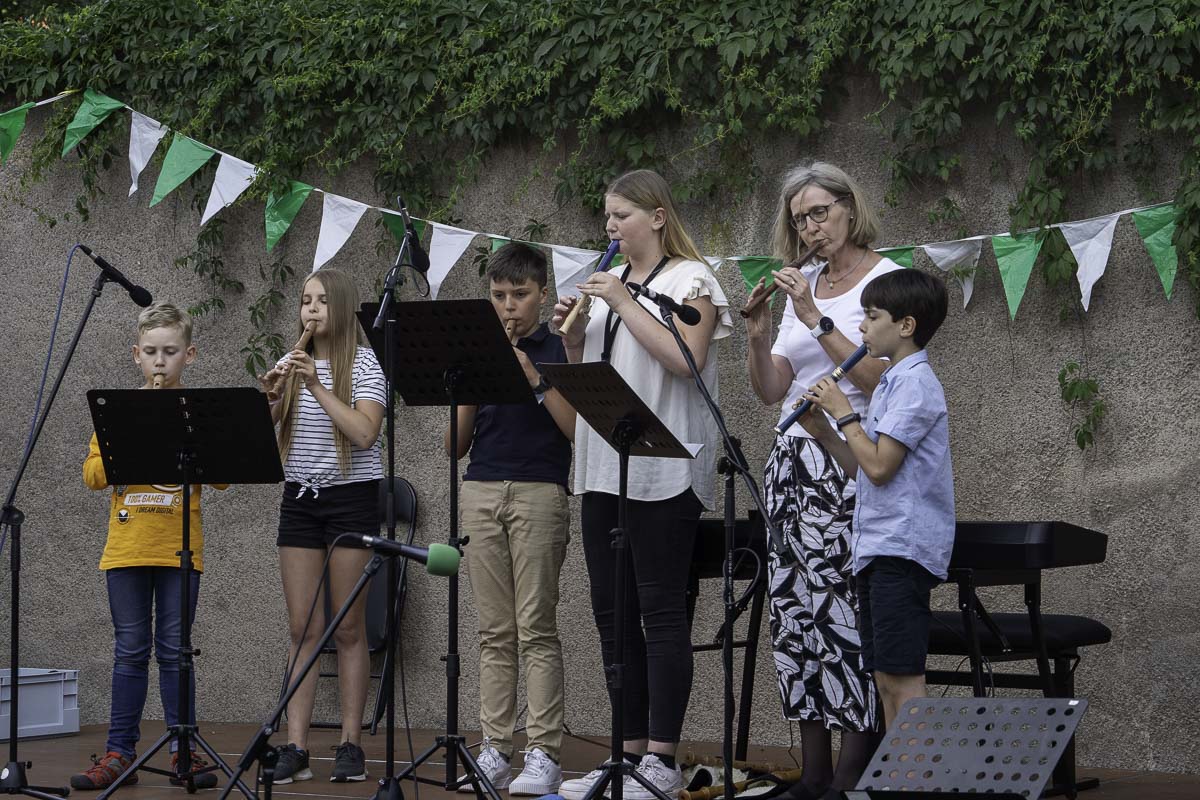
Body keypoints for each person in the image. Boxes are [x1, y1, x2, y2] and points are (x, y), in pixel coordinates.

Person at [552, 169, 733, 800]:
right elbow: (592, 377)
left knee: (661, 613)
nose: (611, 228)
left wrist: (624, 302)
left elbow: (687, 359)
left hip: (667, 468)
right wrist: (573, 338)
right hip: (604, 465)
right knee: (613, 616)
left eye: (621, 216)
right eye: (606, 218)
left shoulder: (691, 280)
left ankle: (661, 758)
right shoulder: (608, 288)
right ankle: (624, 756)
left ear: (657, 217)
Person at [743, 162, 905, 799]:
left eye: (820, 212)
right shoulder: (803, 283)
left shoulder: (887, 279)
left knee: (843, 612)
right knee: (795, 614)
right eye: (800, 219)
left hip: (847, 458)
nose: (811, 227)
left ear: (849, 208)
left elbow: (885, 380)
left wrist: (815, 318)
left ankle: (850, 773)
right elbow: (772, 390)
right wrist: (758, 337)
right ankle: (812, 773)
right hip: (791, 462)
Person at [72, 303, 224, 791]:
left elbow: (222, 477)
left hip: (180, 550)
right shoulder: (118, 410)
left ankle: (183, 749)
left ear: (189, 355)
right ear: (136, 355)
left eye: (171, 352)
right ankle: (120, 752)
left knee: (176, 652)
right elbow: (92, 475)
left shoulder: (193, 412)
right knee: (130, 651)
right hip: (127, 549)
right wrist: (130, 439)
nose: (161, 362)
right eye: (152, 352)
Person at [444, 242, 576, 796]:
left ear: (541, 295)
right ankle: (495, 748)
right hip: (481, 487)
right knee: (493, 632)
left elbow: (578, 431)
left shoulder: (561, 345)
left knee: (536, 627)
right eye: (498, 295)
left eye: (519, 295)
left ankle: (543, 752)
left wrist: (535, 378)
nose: (508, 306)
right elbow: (454, 446)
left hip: (539, 489)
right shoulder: (481, 348)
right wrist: (472, 381)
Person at [799, 269, 954, 730]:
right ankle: (899, 768)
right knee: (885, 679)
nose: (862, 327)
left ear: (905, 325)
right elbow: (866, 470)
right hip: (877, 546)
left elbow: (882, 466)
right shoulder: (890, 382)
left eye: (871, 316)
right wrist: (824, 431)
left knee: (903, 679)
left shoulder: (915, 383)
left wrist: (844, 412)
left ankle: (917, 771)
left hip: (901, 549)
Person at [259, 268, 386, 783]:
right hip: (300, 499)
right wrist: (272, 397)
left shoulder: (365, 364)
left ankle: (351, 743)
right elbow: (262, 432)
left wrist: (316, 383)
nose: (310, 310)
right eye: (305, 300)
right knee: (302, 628)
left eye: (321, 301)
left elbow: (365, 433)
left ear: (344, 307)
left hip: (351, 499)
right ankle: (296, 746)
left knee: (348, 627)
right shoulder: (290, 363)